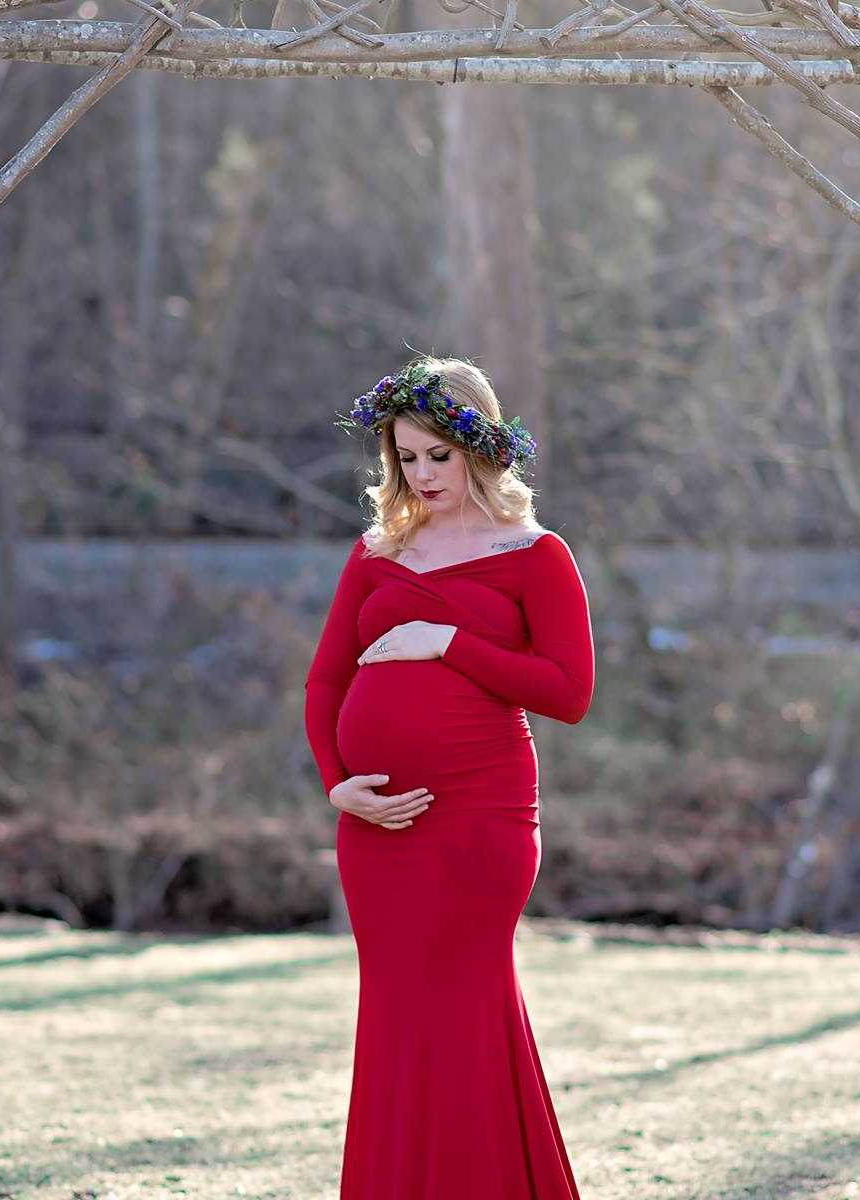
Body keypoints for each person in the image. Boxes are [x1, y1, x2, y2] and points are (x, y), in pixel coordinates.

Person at [303, 355, 595, 1199]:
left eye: (439, 454)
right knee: (395, 1021)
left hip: (481, 820)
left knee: (461, 1011)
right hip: (373, 831)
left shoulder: (535, 555)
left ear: (480, 445)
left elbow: (568, 694)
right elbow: (326, 681)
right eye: (406, 458)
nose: (422, 475)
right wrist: (336, 783)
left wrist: (448, 642)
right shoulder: (375, 550)